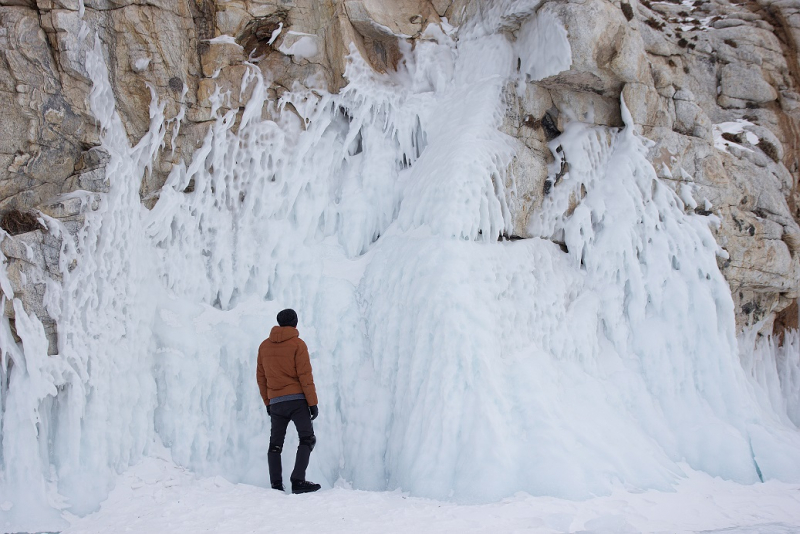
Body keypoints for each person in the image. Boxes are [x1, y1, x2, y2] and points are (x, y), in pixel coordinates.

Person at [256, 308, 321, 494]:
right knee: (307, 438)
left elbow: (261, 377)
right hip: (297, 401)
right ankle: (298, 480)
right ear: (295, 322)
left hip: (276, 402)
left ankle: (276, 485)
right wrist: (312, 403)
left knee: (275, 444)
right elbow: (305, 375)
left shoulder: (264, 346)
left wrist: (268, 402)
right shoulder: (297, 344)